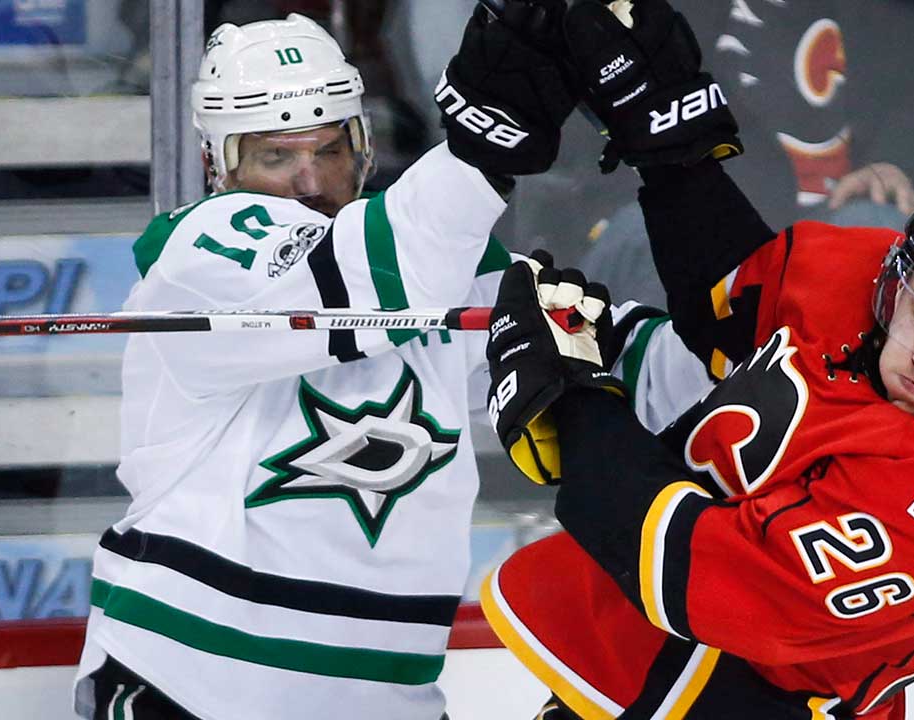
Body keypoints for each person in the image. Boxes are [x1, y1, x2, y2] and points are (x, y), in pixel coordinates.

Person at [476, 1, 914, 717]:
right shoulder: (863, 282)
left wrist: (574, 401)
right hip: (643, 644)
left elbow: (692, 570)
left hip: (760, 694)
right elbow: (729, 300)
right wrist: (673, 151)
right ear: (897, 280)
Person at [71, 6, 579, 719]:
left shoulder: (443, 259)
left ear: (363, 145)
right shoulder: (201, 252)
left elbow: (615, 363)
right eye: (276, 156)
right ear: (220, 162)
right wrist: (482, 146)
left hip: (386, 696)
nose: (309, 181)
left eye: (328, 150)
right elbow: (363, 280)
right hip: (193, 680)